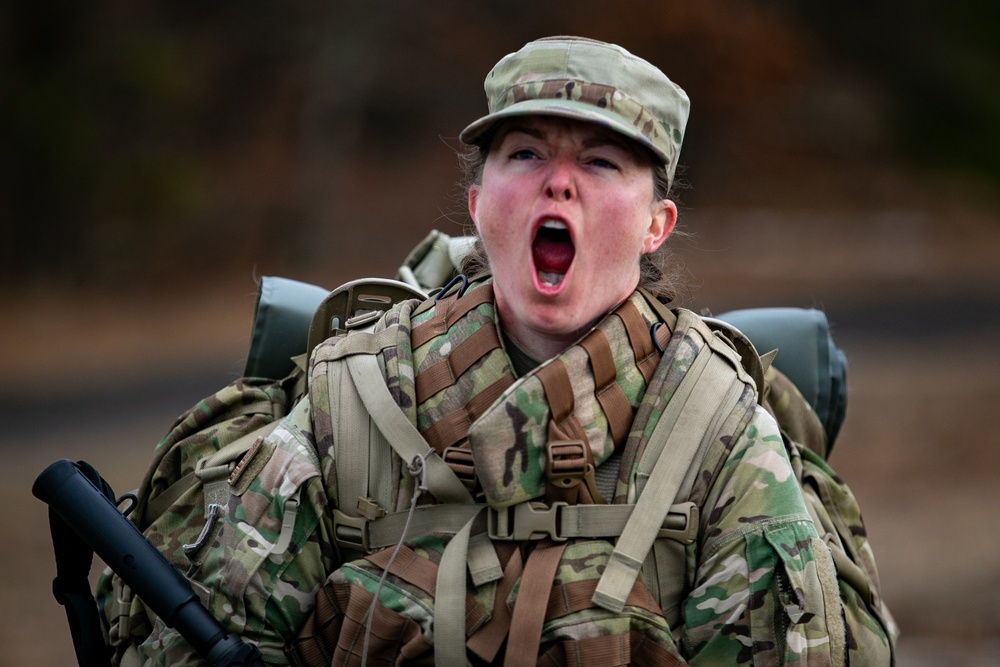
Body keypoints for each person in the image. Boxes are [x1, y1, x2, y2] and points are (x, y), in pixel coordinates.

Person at [130, 36, 853, 665]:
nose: (558, 180)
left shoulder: (719, 428)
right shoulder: (351, 400)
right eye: (526, 152)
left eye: (601, 162)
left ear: (656, 225)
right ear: (479, 204)